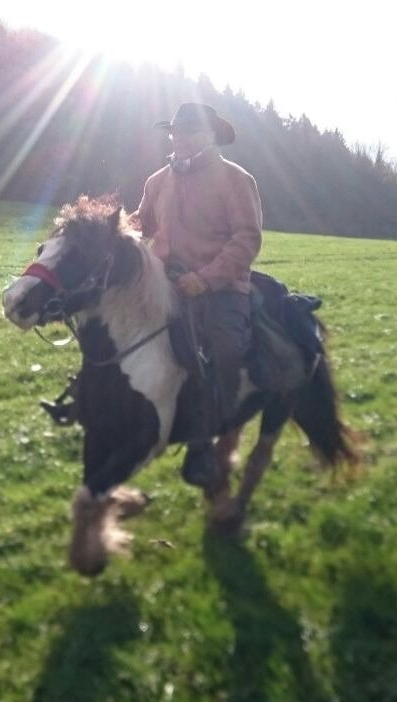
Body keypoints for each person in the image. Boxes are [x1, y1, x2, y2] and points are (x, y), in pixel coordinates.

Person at [131, 103, 263, 489]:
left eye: (191, 132)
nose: (182, 139)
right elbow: (141, 227)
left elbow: (247, 239)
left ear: (210, 136)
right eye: (177, 132)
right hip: (163, 286)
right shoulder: (156, 182)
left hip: (221, 288)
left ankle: (206, 439)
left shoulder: (237, 180)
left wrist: (205, 279)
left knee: (225, 348)